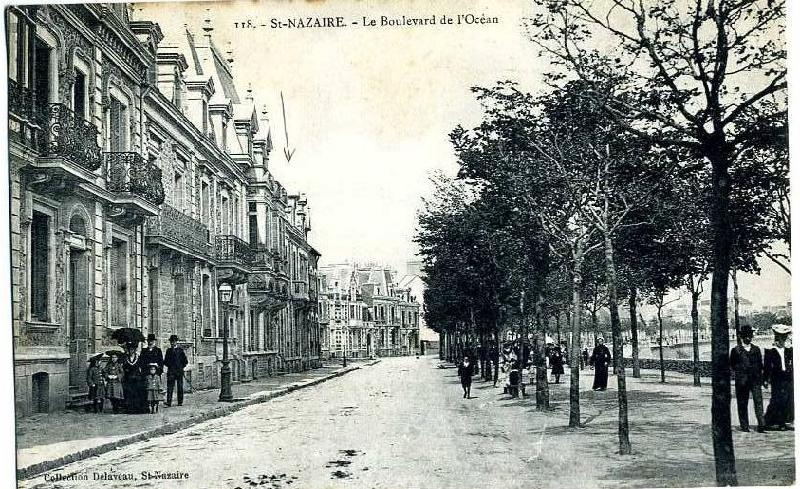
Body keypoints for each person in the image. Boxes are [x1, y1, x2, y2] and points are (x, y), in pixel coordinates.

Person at [730, 325, 765, 432]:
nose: (748, 338)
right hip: (742, 381)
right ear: (741, 336)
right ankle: (744, 426)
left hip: (755, 380)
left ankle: (761, 425)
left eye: (750, 335)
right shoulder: (736, 350)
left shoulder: (756, 349)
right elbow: (732, 365)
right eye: (746, 335)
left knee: (758, 402)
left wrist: (762, 378)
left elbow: (760, 365)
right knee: (742, 403)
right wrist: (739, 374)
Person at [764, 324, 794, 431]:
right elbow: (767, 366)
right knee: (777, 399)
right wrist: (765, 379)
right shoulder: (770, 350)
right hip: (777, 378)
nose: (783, 339)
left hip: (787, 377)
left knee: (787, 399)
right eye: (781, 336)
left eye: (784, 336)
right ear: (777, 337)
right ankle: (769, 421)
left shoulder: (788, 350)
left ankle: (784, 421)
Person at [121, 342, 147, 413]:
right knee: (129, 393)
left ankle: (137, 408)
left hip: (137, 378)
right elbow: (124, 367)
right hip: (128, 377)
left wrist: (140, 374)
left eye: (132, 350)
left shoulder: (138, 358)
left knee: (137, 393)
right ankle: (130, 409)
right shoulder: (126, 358)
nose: (131, 351)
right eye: (130, 350)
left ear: (135, 350)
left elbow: (141, 367)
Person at [164, 334, 189, 407]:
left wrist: (181, 367)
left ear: (176, 342)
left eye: (174, 341)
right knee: (170, 387)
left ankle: (180, 402)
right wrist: (170, 366)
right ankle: (169, 402)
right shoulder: (168, 351)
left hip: (179, 372)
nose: (172, 343)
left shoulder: (180, 350)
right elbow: (165, 361)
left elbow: (185, 361)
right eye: (171, 342)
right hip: (171, 371)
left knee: (180, 387)